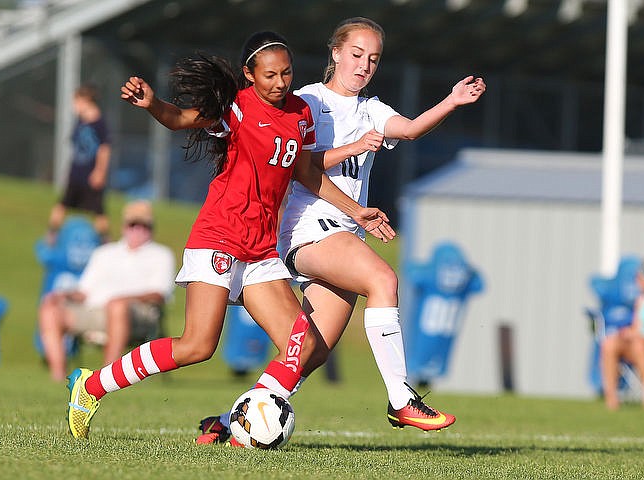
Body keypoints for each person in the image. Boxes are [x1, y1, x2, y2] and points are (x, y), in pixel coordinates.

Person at [64, 31, 395, 439]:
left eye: (286, 73)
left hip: (260, 249)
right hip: (219, 238)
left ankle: (235, 424)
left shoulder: (300, 114)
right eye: (270, 75)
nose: (279, 83)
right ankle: (90, 386)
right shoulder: (236, 109)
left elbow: (307, 173)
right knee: (197, 346)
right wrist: (152, 104)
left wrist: (356, 211)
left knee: (305, 345)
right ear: (249, 75)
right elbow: (179, 119)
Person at [197, 17, 486, 445]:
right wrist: (352, 149)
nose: (364, 66)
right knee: (383, 279)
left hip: (345, 231)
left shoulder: (371, 108)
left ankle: (226, 422)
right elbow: (299, 169)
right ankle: (401, 398)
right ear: (335, 53)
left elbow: (408, 129)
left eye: (373, 59)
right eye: (356, 55)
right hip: (307, 228)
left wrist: (450, 101)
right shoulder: (306, 102)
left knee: (308, 353)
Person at [39, 200, 175, 381]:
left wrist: (122, 300)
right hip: (95, 311)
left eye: (144, 226)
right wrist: (62, 295)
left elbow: (159, 294)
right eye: (133, 225)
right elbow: (83, 291)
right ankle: (58, 377)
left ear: (151, 228)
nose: (138, 230)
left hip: (138, 314)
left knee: (117, 306)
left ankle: (107, 379)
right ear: (124, 227)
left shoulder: (161, 255)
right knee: (49, 309)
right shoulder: (104, 253)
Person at [47, 84, 112, 244]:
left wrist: (100, 172)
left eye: (76, 102)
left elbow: (104, 149)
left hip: (91, 175)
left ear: (86, 101)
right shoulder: (80, 121)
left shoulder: (99, 124)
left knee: (98, 211)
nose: (74, 106)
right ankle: (51, 237)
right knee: (62, 204)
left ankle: (105, 242)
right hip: (76, 173)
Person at [602, 254, 644, 411]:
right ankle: (611, 399)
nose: (637, 282)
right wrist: (628, 333)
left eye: (639, 278)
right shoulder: (642, 301)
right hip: (640, 346)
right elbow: (637, 327)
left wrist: (641, 337)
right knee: (610, 343)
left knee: (640, 344)